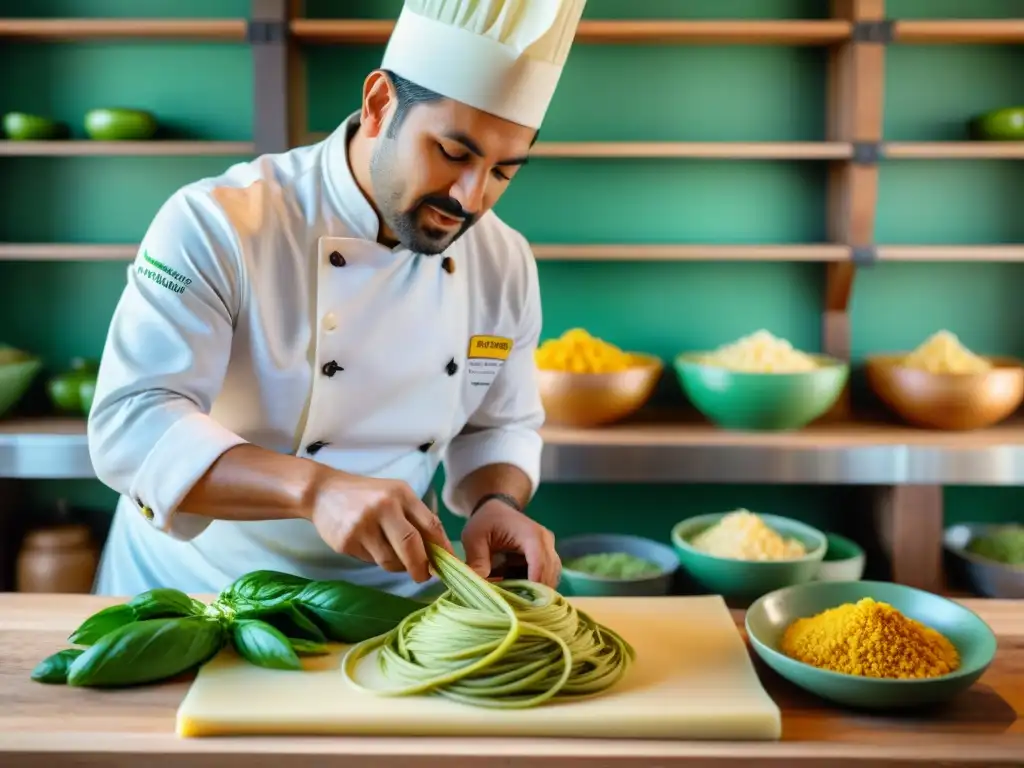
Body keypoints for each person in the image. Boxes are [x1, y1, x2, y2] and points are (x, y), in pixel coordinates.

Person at [86, 0, 588, 598]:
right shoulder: (219, 223)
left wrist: (495, 500)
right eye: (452, 154)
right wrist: (316, 488)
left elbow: (498, 425)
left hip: (394, 596)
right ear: (380, 105)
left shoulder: (502, 262)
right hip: (202, 591)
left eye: (505, 171)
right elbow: (132, 425)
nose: (471, 197)